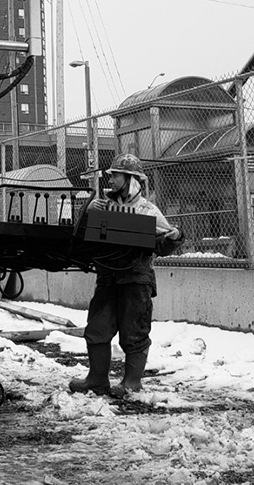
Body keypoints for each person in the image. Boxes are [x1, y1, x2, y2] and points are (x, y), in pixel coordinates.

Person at [69, 153, 184, 397]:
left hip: (136, 278)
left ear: (131, 179)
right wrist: (89, 214)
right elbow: (81, 239)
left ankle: (132, 382)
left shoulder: (148, 210)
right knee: (97, 328)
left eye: (116, 176)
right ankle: (97, 379)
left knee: (135, 331)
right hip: (108, 277)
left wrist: (174, 237)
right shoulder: (100, 205)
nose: (110, 180)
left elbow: (162, 245)